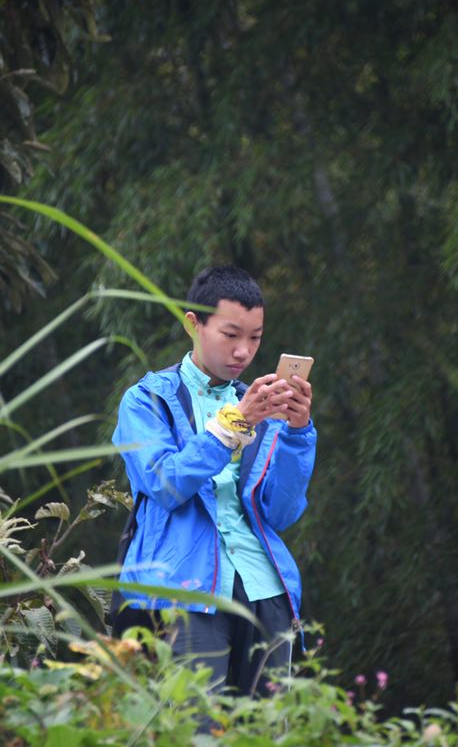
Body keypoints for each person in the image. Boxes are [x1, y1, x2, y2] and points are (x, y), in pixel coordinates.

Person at [112, 265, 316, 696]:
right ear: (194, 324)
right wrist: (234, 425)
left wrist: (297, 434)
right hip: (185, 592)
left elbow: (281, 512)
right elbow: (165, 484)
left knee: (267, 728)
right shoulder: (147, 399)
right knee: (194, 724)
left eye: (255, 337)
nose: (244, 351)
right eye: (230, 334)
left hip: (265, 589)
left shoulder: (259, 405)